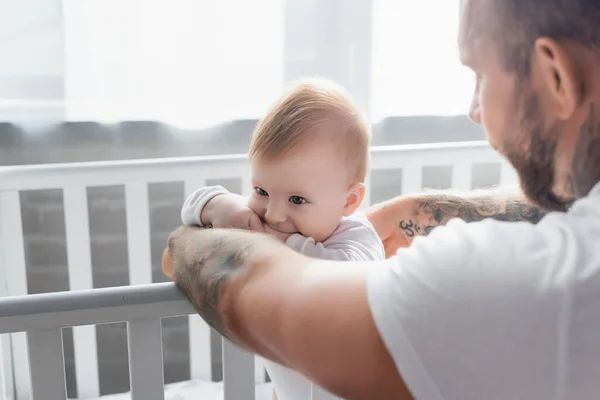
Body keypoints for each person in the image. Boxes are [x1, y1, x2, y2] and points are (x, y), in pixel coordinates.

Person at [162, 0, 600, 398]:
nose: (474, 110)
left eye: (480, 75)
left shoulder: (535, 282)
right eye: (261, 192)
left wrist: (197, 240)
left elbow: (277, 298)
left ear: (556, 76)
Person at [179, 78, 384, 400]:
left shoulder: (356, 237)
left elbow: (347, 277)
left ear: (348, 201)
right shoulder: (257, 217)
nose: (272, 215)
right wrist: (220, 206)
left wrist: (272, 240)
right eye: (261, 191)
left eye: (297, 200)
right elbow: (192, 206)